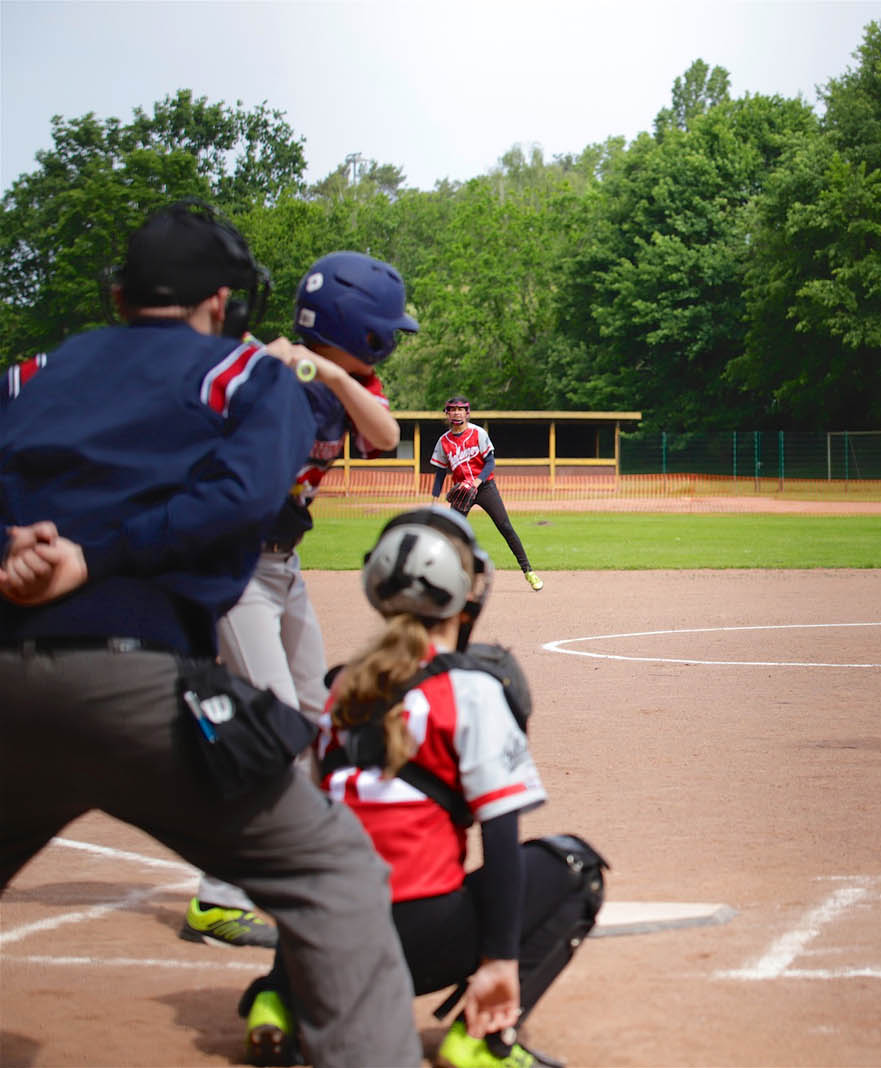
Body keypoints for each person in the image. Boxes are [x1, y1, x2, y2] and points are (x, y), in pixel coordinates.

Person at [0, 200, 421, 1067]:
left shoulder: (40, 371)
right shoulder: (242, 375)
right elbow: (239, 497)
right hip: (133, 675)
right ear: (223, 301)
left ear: (119, 294)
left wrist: (12, 546)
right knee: (331, 866)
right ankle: (229, 898)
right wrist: (97, 557)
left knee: (301, 710)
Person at [237, 506, 605, 1068]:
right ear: (463, 593)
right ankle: (483, 1039)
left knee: (334, 862)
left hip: (324, 943)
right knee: (576, 868)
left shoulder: (340, 687)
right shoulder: (471, 690)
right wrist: (501, 962)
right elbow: (500, 843)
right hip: (414, 943)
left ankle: (279, 997)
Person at [183, 250, 417, 950]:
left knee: (321, 715)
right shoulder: (262, 376)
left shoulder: (347, 383)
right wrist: (269, 365)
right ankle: (219, 897)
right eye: (383, 330)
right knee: (274, 726)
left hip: (283, 569)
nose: (389, 340)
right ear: (357, 326)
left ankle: (308, 861)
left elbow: (387, 436)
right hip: (233, 570)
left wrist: (330, 373)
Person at [430, 395, 544, 592]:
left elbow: (490, 462)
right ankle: (451, 577)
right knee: (453, 534)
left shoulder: (478, 433)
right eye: (452, 409)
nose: (456, 413)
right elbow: (440, 472)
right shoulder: (443, 442)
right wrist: (434, 499)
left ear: (467, 413)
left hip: (484, 487)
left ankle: (528, 571)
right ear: (447, 413)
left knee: (505, 526)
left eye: (460, 409)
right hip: (462, 492)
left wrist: (477, 481)